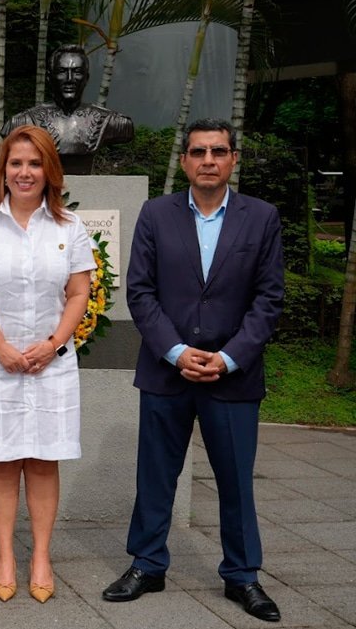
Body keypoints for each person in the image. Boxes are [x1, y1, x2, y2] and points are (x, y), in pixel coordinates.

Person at [102, 119, 284, 622]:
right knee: (156, 475)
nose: (209, 160)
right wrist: (176, 351)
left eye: (218, 151)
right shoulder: (156, 215)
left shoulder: (261, 218)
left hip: (234, 376)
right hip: (167, 372)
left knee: (235, 481)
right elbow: (139, 291)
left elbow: (269, 299)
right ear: (184, 160)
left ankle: (243, 576)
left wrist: (227, 358)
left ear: (233, 159)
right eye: (199, 151)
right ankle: (147, 564)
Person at [0, 125, 94, 603]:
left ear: (50, 171)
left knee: (41, 459)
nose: (25, 172)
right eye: (16, 163)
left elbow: (79, 292)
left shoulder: (70, 228)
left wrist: (53, 344)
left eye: (34, 163)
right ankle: (5, 556)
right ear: (4, 171)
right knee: (0, 458)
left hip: (51, 363)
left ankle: (40, 555)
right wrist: (2, 348)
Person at [2, 44, 134, 174]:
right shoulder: (22, 122)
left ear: (86, 78)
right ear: (49, 78)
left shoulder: (114, 123)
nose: (70, 79)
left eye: (77, 72)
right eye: (62, 72)